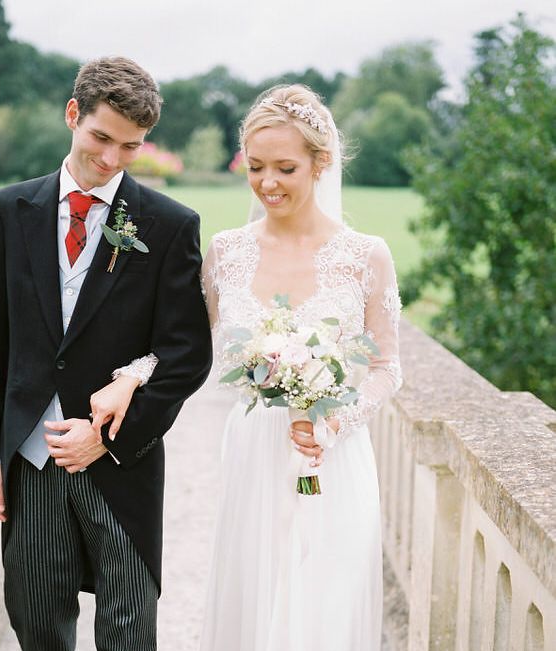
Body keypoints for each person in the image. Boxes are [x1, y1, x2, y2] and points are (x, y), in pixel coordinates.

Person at [0, 56, 212, 651]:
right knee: (38, 623)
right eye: (101, 138)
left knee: (129, 629)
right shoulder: (10, 208)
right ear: (73, 114)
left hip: (122, 465)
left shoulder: (169, 224)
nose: (110, 160)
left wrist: (107, 437)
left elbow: (185, 355)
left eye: (130, 148)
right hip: (31, 459)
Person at [196, 85, 403, 649]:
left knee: (323, 607)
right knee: (253, 597)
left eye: (285, 167)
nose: (268, 183)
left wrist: (334, 421)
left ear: (321, 162)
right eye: (256, 167)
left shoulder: (365, 256)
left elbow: (387, 367)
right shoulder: (226, 252)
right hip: (253, 451)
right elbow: (184, 347)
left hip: (332, 456)